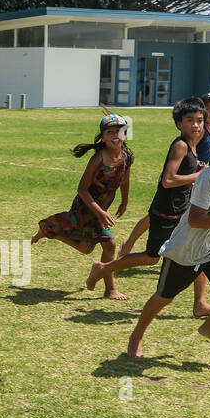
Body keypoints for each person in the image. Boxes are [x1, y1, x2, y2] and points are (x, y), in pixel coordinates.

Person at [126, 124, 210, 358]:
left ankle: (209, 327)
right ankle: (136, 335)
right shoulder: (208, 178)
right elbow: (195, 220)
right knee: (164, 298)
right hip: (186, 247)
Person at [87, 98, 206, 298]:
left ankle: (200, 302)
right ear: (179, 123)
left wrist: (197, 171)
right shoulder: (181, 146)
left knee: (198, 251)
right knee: (152, 257)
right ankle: (103, 269)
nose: (195, 124)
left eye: (199, 120)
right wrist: (201, 175)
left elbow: (183, 176)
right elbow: (168, 180)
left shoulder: (192, 145)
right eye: (190, 120)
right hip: (168, 213)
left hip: (181, 209)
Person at [31, 114, 133, 300]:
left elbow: (125, 180)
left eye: (119, 131)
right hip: (87, 207)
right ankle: (110, 289)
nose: (115, 135)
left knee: (86, 248)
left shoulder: (126, 157)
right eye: (110, 132)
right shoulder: (97, 159)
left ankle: (49, 229)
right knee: (109, 244)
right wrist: (100, 212)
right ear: (102, 137)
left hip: (101, 208)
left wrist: (124, 201)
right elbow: (82, 189)